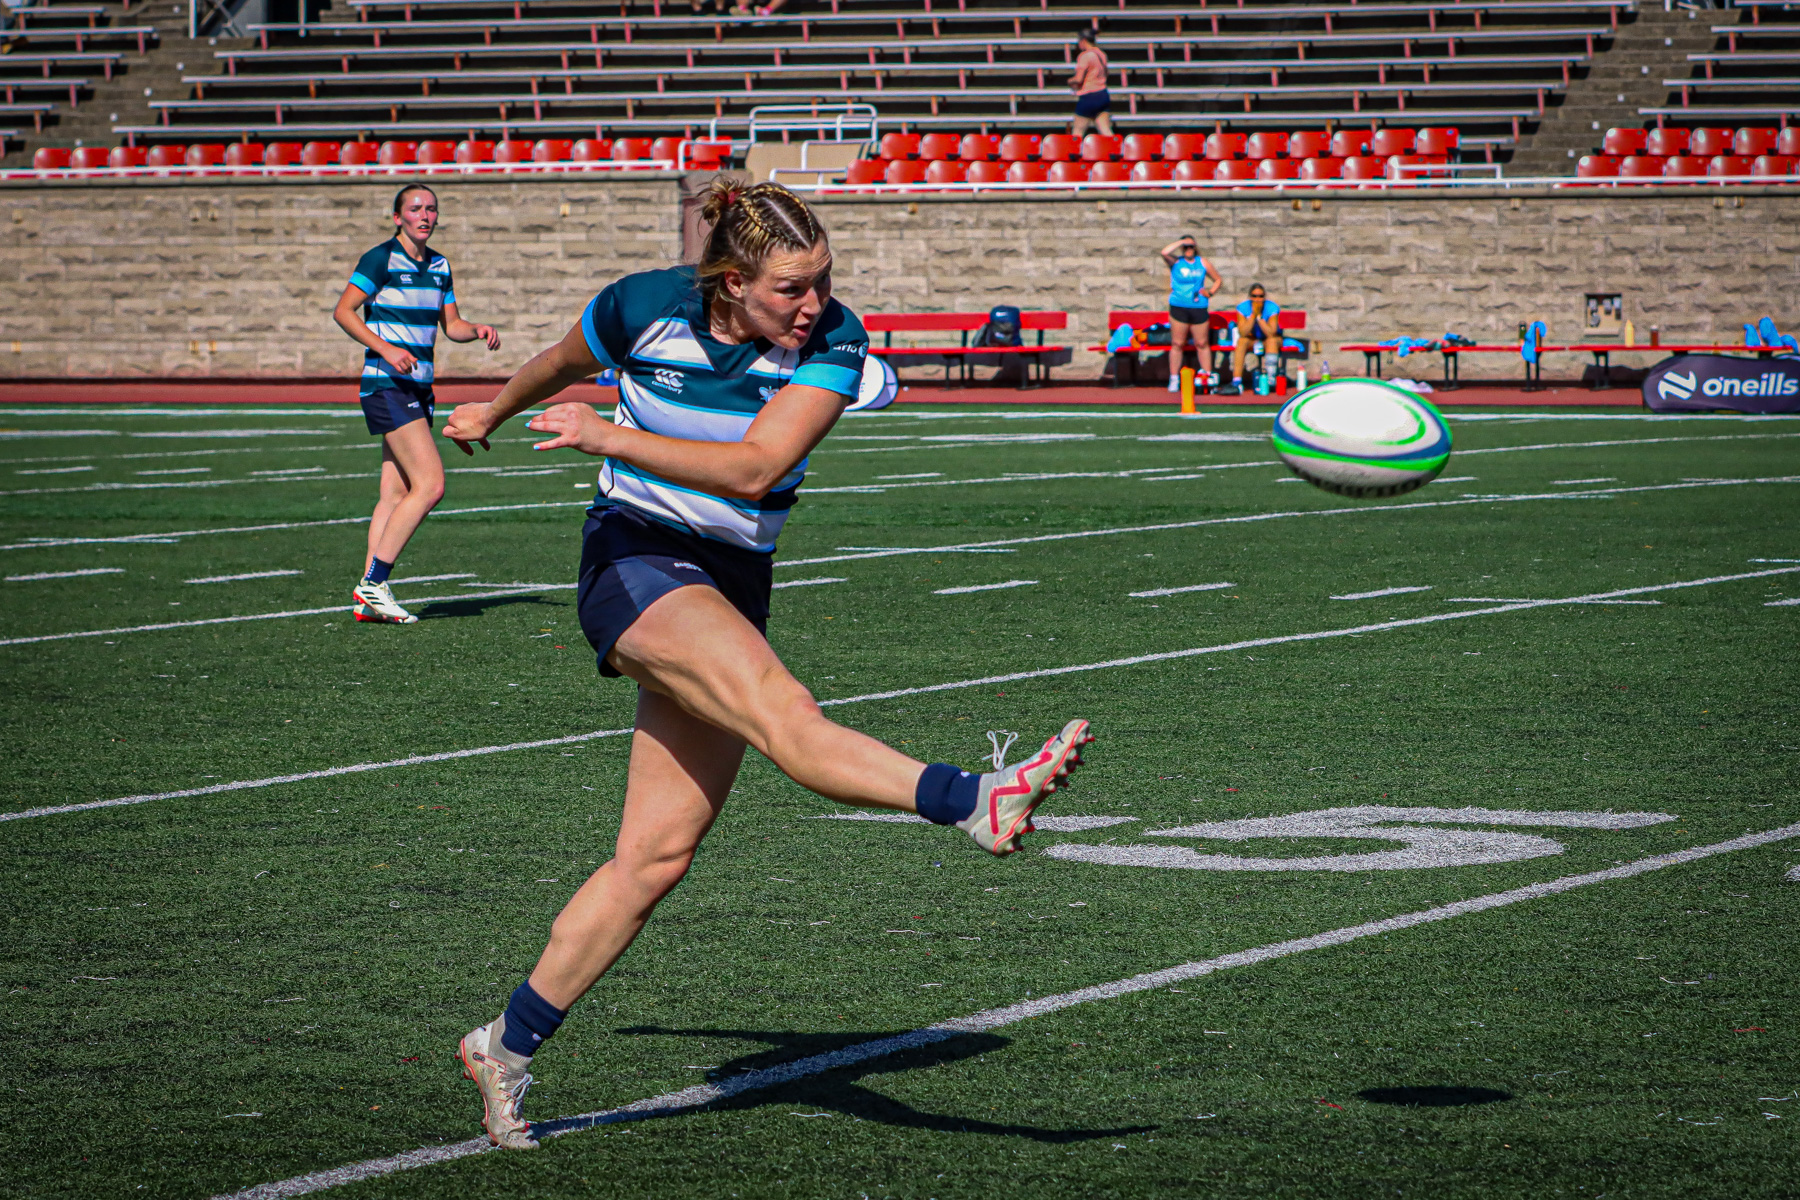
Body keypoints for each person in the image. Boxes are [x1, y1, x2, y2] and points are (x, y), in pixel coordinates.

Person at [440, 178, 1094, 1151]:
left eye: (823, 280)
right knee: (785, 714)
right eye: (791, 287)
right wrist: (492, 414)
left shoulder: (834, 341)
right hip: (632, 560)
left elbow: (754, 466)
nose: (814, 303)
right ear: (730, 281)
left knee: (654, 858)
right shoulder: (642, 306)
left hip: (733, 575)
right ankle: (973, 798)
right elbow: (560, 361)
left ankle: (506, 1043)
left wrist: (605, 430)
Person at [331, 183, 500, 624]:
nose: (425, 215)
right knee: (431, 485)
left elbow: (452, 325)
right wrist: (386, 349)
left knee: (395, 492)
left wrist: (477, 328)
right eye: (415, 208)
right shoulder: (380, 259)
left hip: (419, 389)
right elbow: (345, 311)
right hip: (387, 384)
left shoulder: (440, 265)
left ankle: (367, 597)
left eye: (431, 209)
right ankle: (373, 584)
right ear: (398, 217)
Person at [1158, 235, 1222, 393]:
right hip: (1179, 306)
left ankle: (1207, 377)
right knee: (1177, 343)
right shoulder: (1176, 262)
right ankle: (1174, 378)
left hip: (1198, 307)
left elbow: (1217, 279)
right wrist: (1181, 242)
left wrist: (1210, 292)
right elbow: (1164, 252)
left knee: (1202, 343)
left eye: (1191, 246)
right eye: (1185, 247)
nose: (1188, 249)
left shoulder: (1202, 263)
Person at [1217, 283, 1282, 396]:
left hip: (1269, 338)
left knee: (1272, 341)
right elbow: (1243, 332)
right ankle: (1237, 382)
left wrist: (1260, 318)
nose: (1258, 299)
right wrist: (1252, 316)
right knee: (1241, 342)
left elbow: (1271, 332)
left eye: (1261, 296)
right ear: (1250, 297)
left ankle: (1270, 380)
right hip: (1252, 338)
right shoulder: (1243, 308)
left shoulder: (1272, 308)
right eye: (1254, 296)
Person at [1069, 28, 1113, 139]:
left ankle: (1074, 154)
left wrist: (1070, 81)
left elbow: (1078, 79)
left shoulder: (1084, 56)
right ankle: (1116, 151)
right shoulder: (1101, 54)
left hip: (1089, 96)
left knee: (1077, 132)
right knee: (1106, 131)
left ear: (1083, 41)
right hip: (1103, 94)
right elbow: (1106, 73)